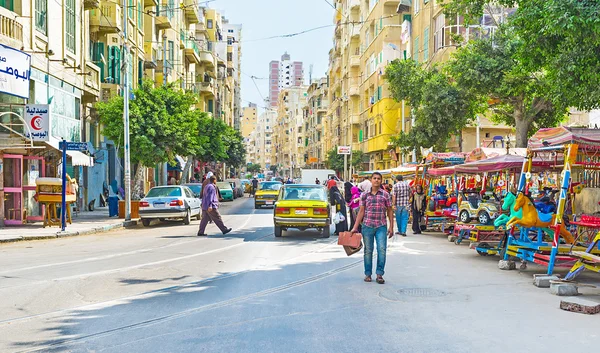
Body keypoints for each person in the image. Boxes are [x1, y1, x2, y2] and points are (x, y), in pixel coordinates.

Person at [351, 172, 394, 284]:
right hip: (367, 226)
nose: (376, 180)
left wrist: (391, 228)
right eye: (374, 178)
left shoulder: (385, 195)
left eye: (378, 178)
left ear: (381, 180)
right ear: (371, 180)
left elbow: (390, 211)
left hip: (381, 226)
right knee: (368, 250)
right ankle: (368, 274)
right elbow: (361, 211)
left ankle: (379, 274)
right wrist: (355, 227)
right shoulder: (364, 195)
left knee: (382, 250)